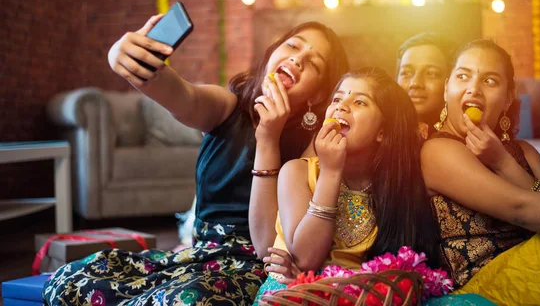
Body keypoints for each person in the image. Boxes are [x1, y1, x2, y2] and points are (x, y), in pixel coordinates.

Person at [42, 17, 349, 305]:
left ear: (317, 95)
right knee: (69, 280)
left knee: (183, 300)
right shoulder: (226, 106)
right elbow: (182, 96)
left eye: (314, 63)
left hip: (253, 269)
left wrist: (268, 138)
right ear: (273, 53)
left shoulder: (312, 146)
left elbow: (267, 245)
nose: (298, 59)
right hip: (197, 255)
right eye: (293, 46)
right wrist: (128, 59)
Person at [420, 39, 540, 305]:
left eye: (489, 81)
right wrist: (501, 163)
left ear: (508, 98)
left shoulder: (523, 151)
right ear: (447, 88)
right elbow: (520, 209)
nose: (474, 88)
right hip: (489, 286)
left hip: (538, 267)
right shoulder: (438, 151)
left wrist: (504, 162)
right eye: (463, 76)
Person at [253, 67, 441, 302]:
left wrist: (319, 282)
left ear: (382, 131)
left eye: (360, 102)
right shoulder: (297, 171)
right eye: (338, 98)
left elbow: (394, 277)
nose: (341, 106)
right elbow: (306, 258)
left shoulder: (397, 189)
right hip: (287, 297)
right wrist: (331, 171)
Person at [396, 32, 455, 139]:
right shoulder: (377, 135)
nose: (415, 83)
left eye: (431, 73)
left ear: (450, 82)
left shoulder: (470, 142)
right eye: (406, 73)